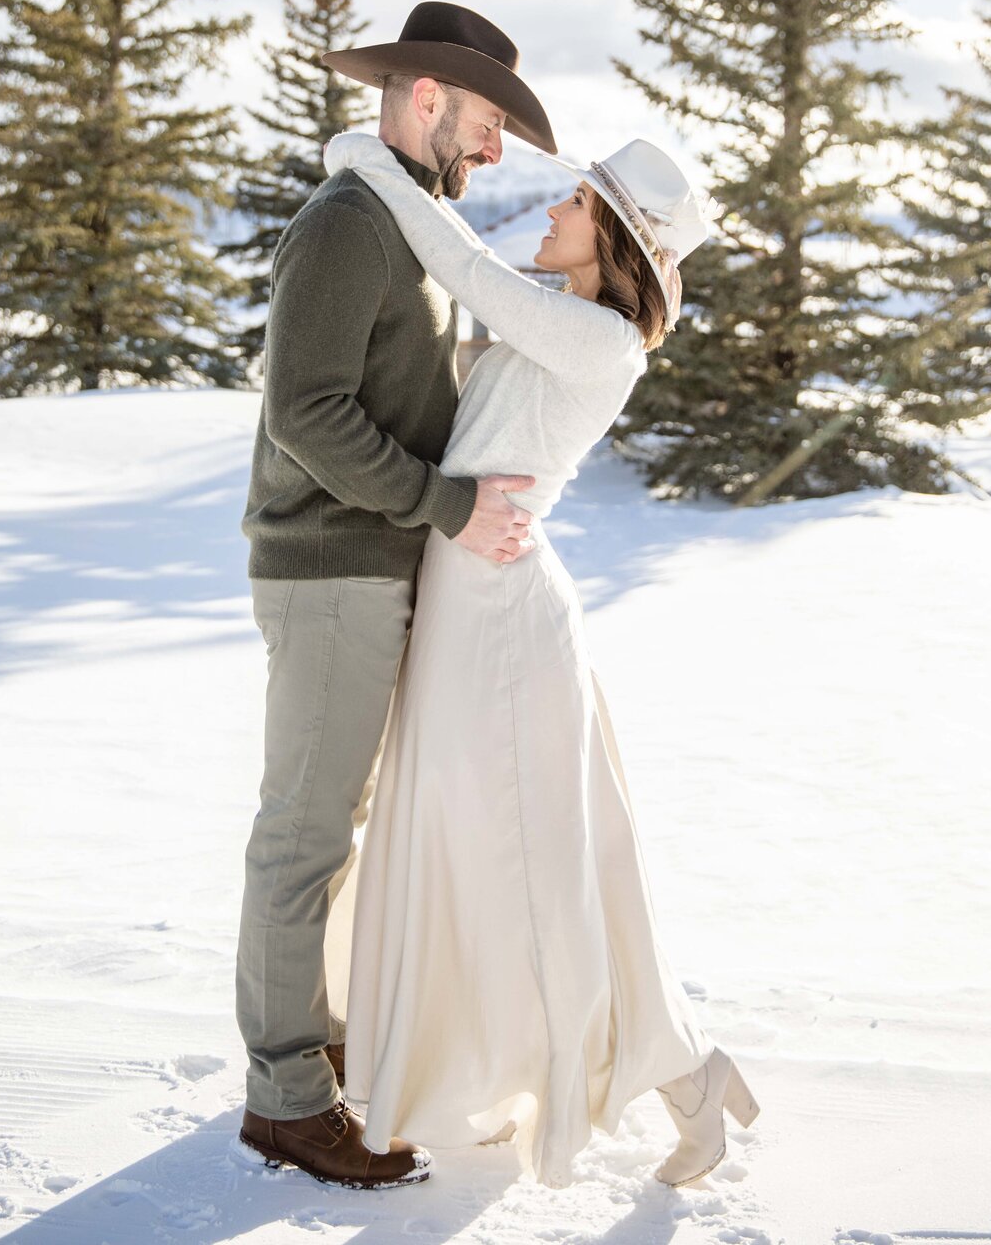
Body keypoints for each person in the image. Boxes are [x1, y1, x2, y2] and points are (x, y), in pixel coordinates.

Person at [318, 125, 761, 1191]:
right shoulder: (567, 328)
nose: (553, 212)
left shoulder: (597, 341)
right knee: (519, 861)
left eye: (574, 206)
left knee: (533, 872)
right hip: (478, 601)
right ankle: (686, 1078)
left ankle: (682, 1080)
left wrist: (366, 161)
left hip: (505, 623)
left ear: (612, 241)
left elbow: (461, 267)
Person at [235, 1, 558, 1190]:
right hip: (329, 567)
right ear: (426, 97)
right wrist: (447, 504)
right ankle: (282, 1097)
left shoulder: (407, 225)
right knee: (305, 835)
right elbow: (306, 412)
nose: (494, 151)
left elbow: (396, 382)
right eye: (485, 123)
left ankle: (308, 1053)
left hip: (368, 569)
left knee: (336, 830)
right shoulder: (349, 225)